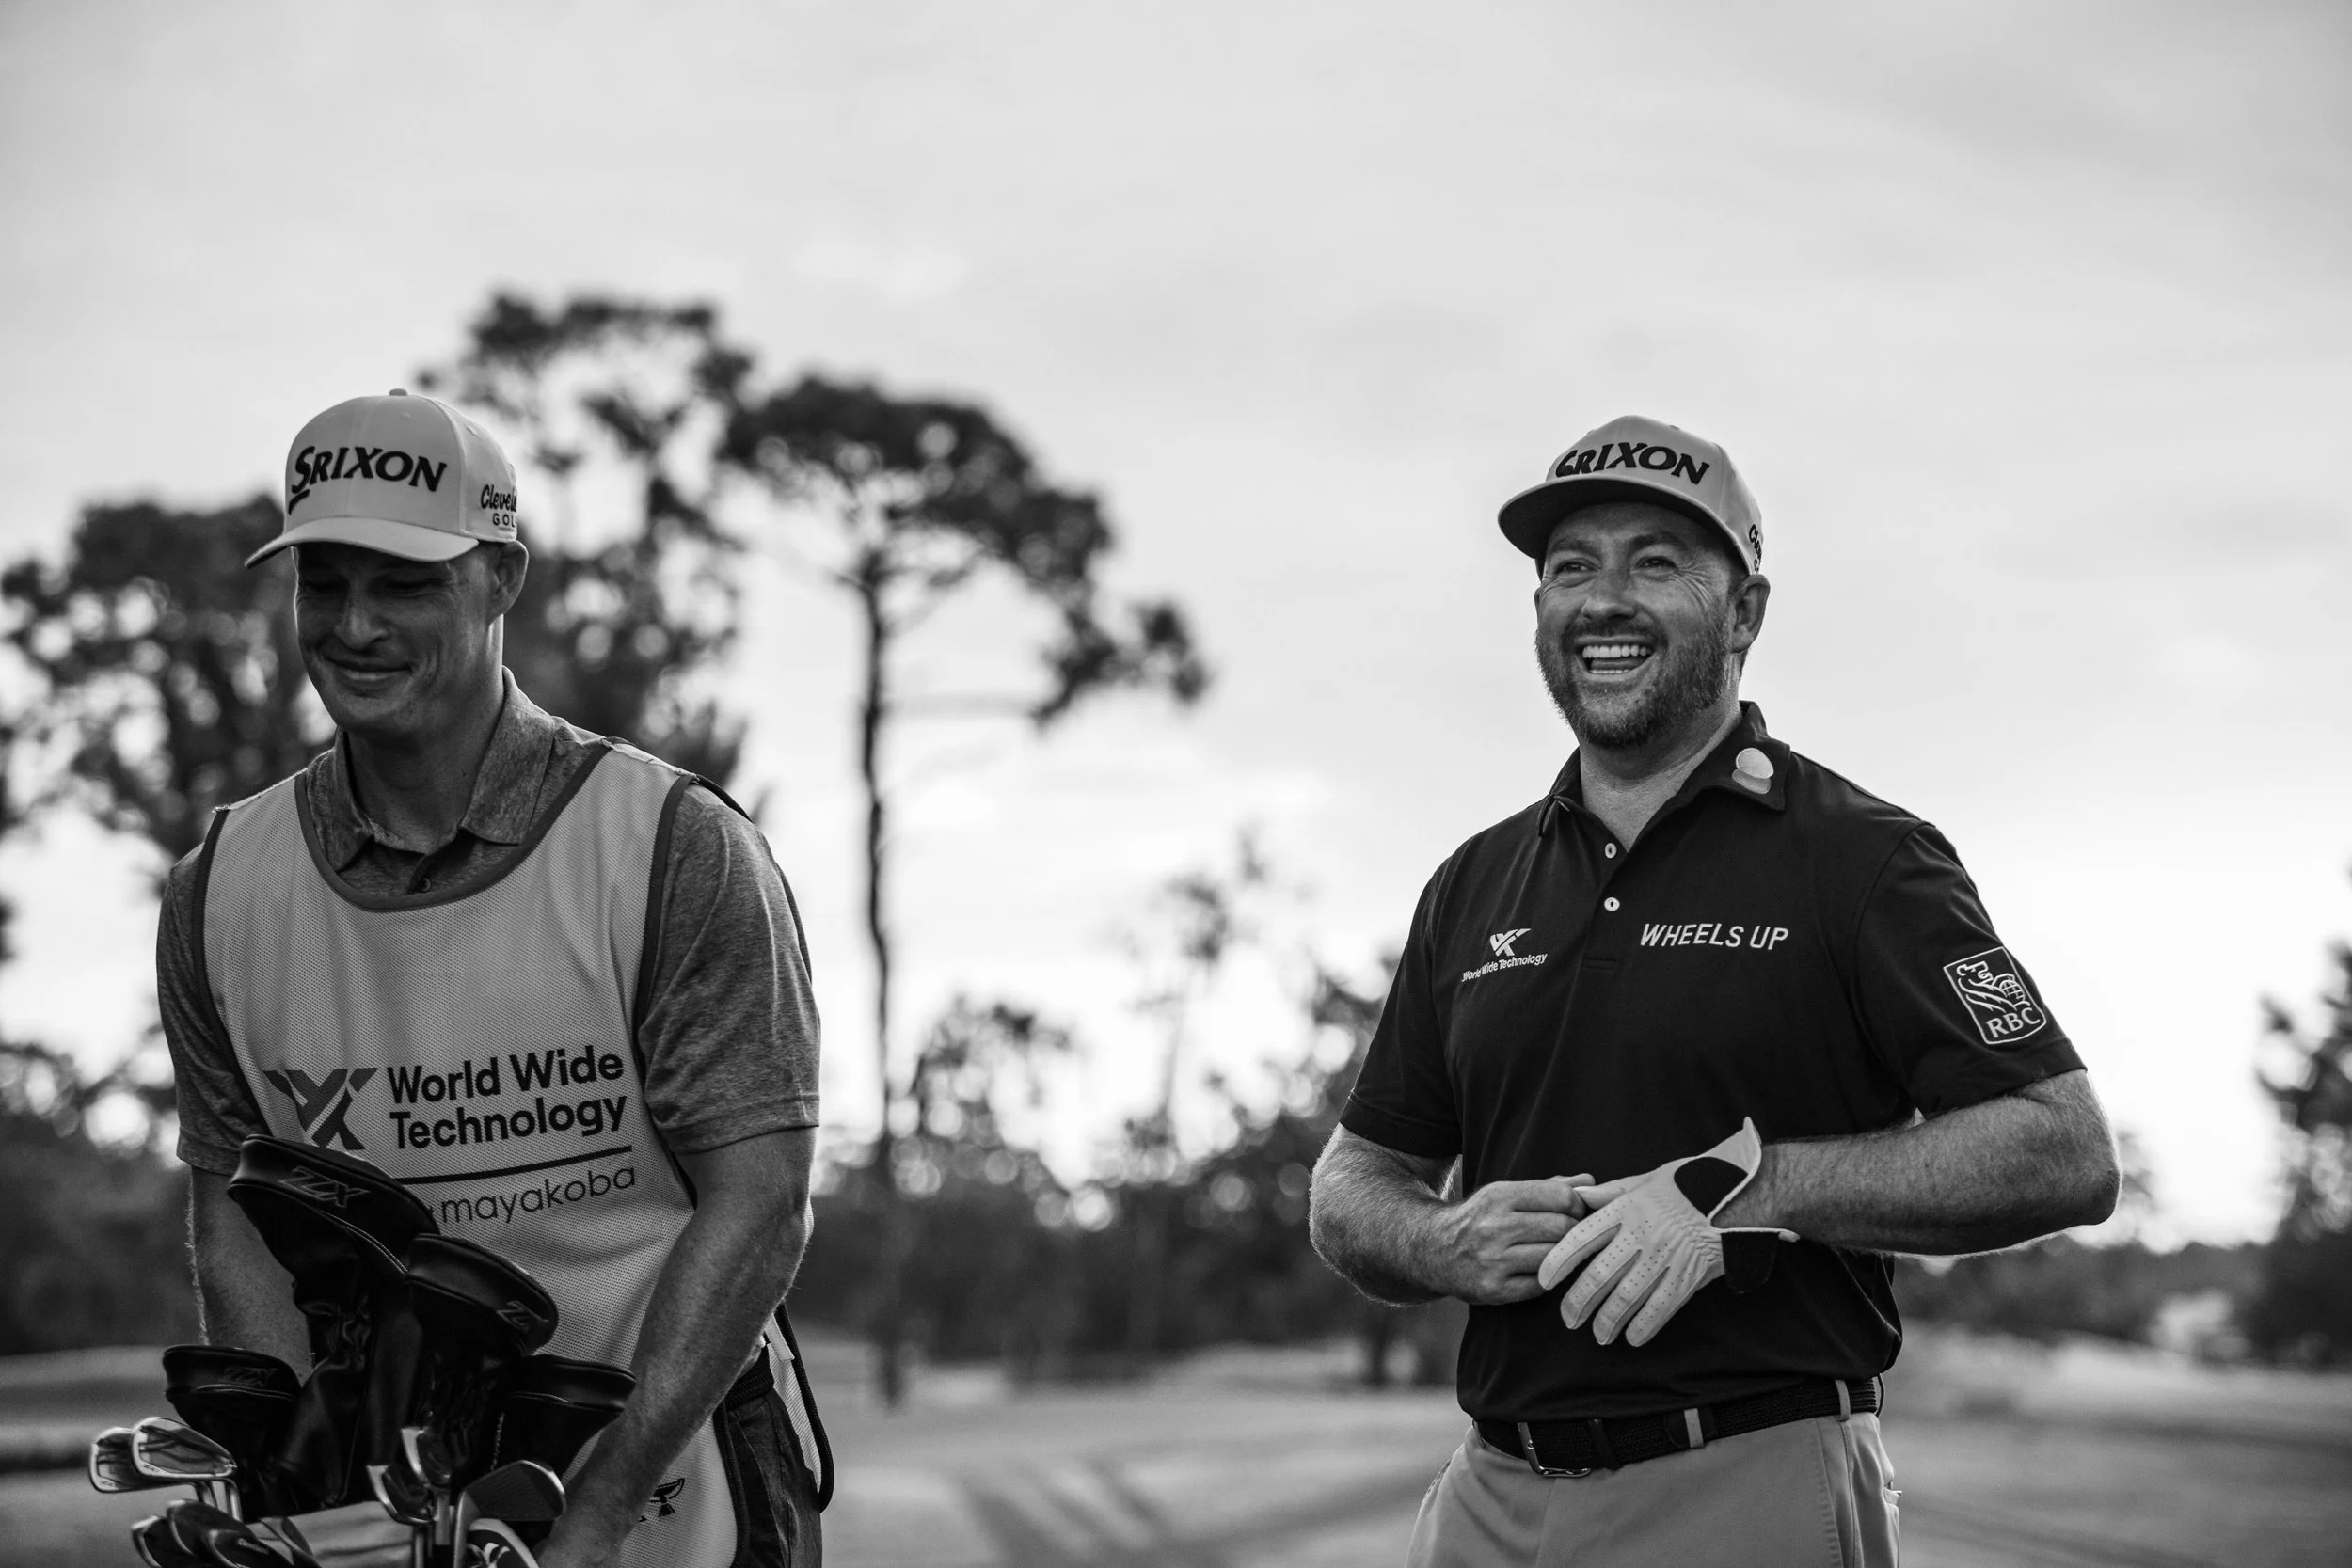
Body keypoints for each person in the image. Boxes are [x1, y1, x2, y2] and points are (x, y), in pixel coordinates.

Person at [1308, 414, 2118, 1568]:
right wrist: (1441, 1239)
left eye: (1655, 560)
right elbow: (1352, 1181)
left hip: (1751, 1483)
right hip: (1487, 1499)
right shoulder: (1474, 882)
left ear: (1744, 612)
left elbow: (2064, 1149)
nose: (1603, 599)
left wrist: (1746, 1188)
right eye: (1570, 566)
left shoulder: (1864, 859)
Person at [158, 389, 826, 1567]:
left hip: (676, 1487)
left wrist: (598, 1509)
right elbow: (238, 1217)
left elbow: (760, 1203)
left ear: (502, 577)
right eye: (326, 582)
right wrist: (304, 1495)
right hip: (400, 1503)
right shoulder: (219, 888)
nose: (354, 627)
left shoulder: (673, 847)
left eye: (405, 583)